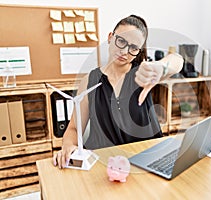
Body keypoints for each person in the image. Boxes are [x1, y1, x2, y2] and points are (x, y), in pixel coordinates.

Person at [53, 15, 183, 169]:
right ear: (110, 37)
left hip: (148, 162)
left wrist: (161, 67)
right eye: (121, 41)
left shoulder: (143, 73)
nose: (124, 51)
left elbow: (177, 60)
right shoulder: (89, 81)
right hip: (107, 165)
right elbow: (74, 128)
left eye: (133, 48)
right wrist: (68, 146)